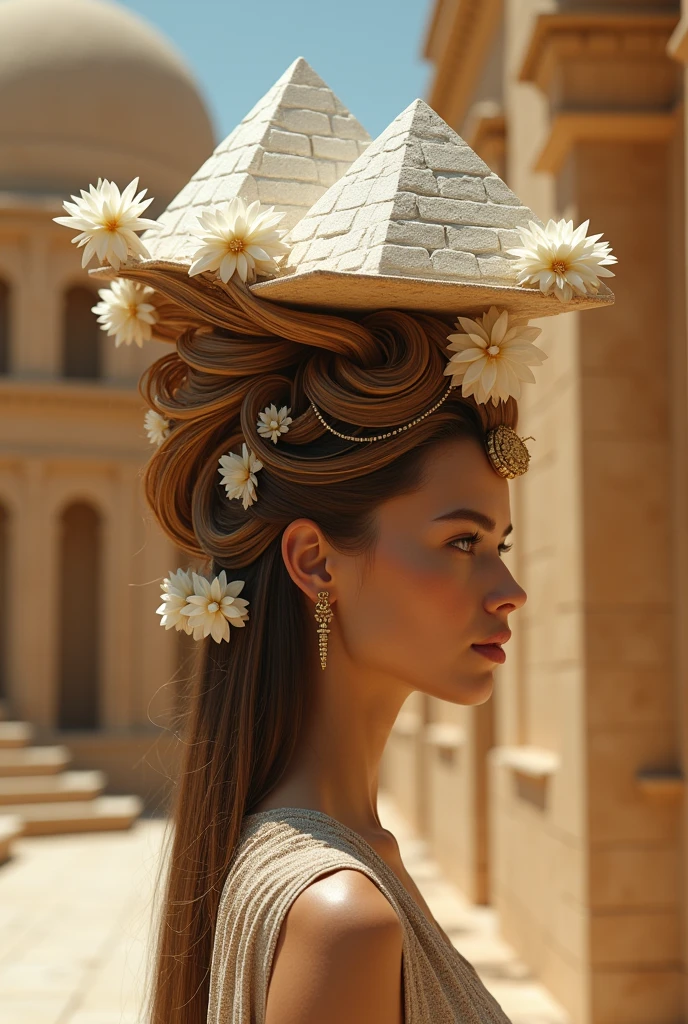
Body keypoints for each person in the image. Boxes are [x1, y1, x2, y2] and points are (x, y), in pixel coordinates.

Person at [54, 61, 615, 1024]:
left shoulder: (347, 863)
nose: (509, 587)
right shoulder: (343, 915)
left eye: (502, 541)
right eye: (462, 540)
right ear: (314, 561)